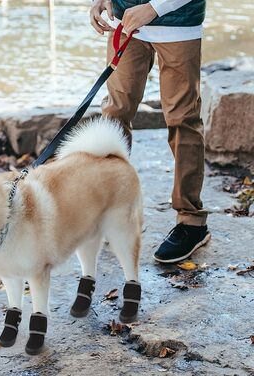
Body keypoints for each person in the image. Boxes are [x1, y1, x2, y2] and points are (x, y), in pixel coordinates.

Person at [90, 0, 211, 263]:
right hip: (124, 22)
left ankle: (191, 222)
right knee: (114, 115)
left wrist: (154, 7)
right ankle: (114, 212)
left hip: (177, 23)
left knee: (182, 120)